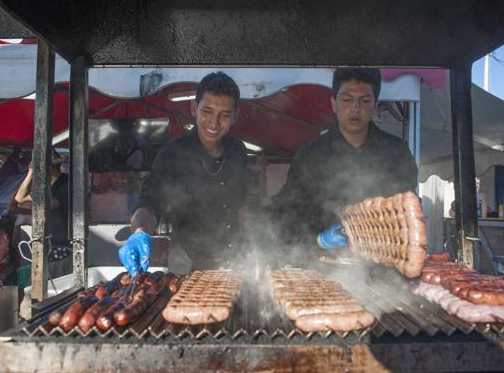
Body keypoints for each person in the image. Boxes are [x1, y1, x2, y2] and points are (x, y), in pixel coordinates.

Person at [270, 68, 418, 251]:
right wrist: (319, 240)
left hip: (382, 265)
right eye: (347, 100)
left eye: (364, 101)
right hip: (322, 265)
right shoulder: (309, 155)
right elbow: (289, 212)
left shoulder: (397, 152)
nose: (355, 109)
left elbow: (406, 212)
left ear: (375, 105)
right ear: (333, 104)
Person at [119, 72, 247, 275]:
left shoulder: (238, 150)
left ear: (235, 116)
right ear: (194, 108)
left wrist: (260, 241)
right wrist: (140, 232)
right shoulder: (172, 154)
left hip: (233, 260)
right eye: (207, 111)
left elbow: (242, 205)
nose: (214, 123)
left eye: (224, 114)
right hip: (186, 263)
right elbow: (150, 203)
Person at [13, 149, 71, 276]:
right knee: (28, 277)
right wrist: (30, 173)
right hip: (45, 246)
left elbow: (52, 205)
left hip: (62, 248)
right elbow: (19, 198)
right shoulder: (43, 186)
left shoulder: (66, 183)